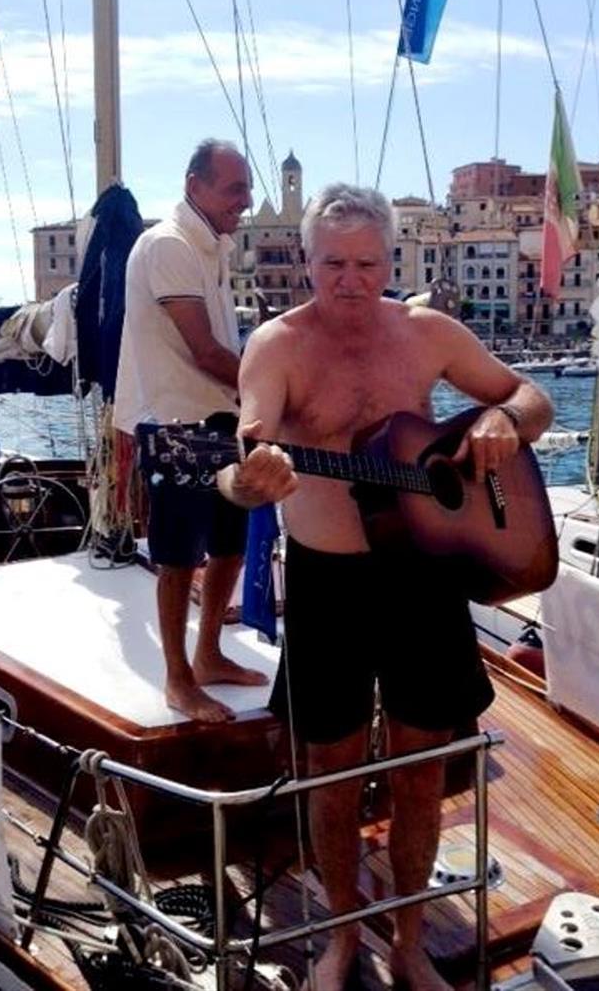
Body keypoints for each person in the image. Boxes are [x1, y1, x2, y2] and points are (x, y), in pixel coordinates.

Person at [219, 184, 553, 991]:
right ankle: (338, 935)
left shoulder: (428, 332)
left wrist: (503, 422)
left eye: (368, 263)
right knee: (328, 771)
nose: (351, 280)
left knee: (420, 768)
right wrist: (247, 484)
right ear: (308, 261)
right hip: (328, 581)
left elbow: (528, 396)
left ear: (389, 261)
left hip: (423, 579)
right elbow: (243, 458)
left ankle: (407, 938)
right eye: (333, 262)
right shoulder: (277, 345)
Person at [114, 139, 267, 724]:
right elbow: (204, 350)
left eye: (247, 189)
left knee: (229, 543)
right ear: (194, 184)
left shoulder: (211, 245)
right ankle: (178, 680)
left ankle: (208, 657)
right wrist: (274, 390)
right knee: (178, 557)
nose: (246, 201)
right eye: (235, 189)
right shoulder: (171, 246)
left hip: (216, 418)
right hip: (174, 422)